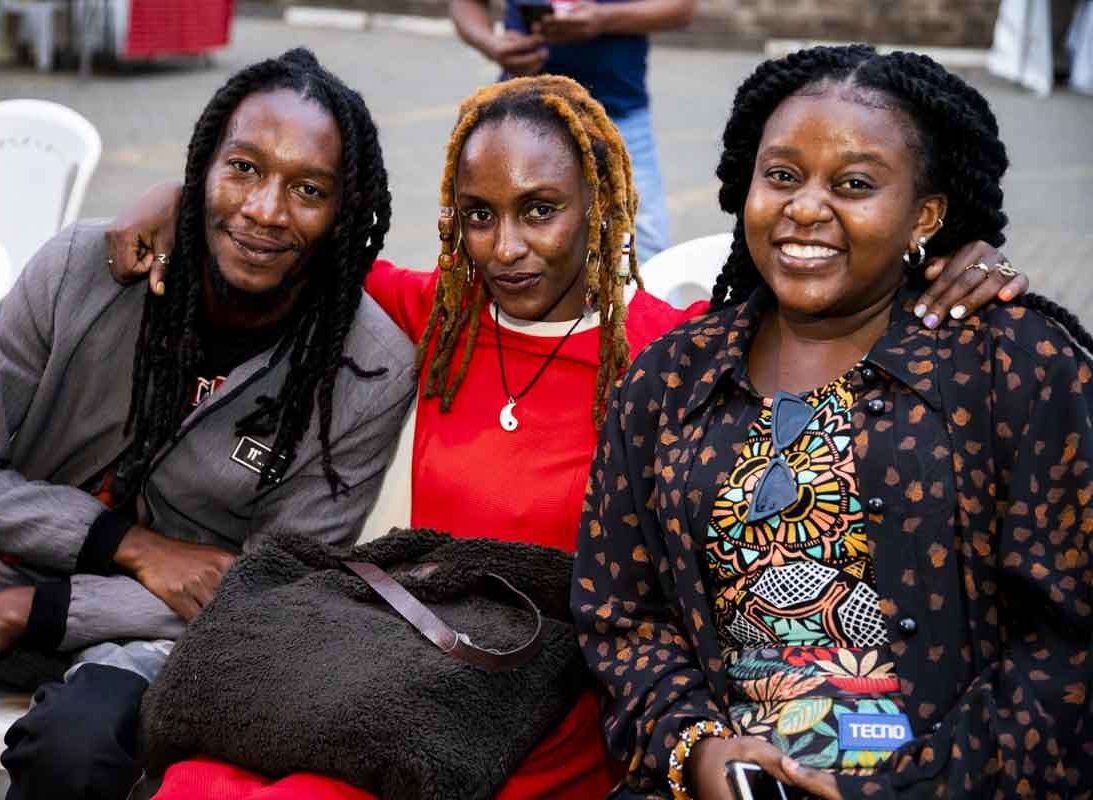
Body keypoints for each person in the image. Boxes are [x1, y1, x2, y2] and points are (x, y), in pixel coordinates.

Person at [108, 73, 1025, 799]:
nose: (505, 247)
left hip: (557, 698)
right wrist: (177, 199)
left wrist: (955, 262)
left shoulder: (672, 352)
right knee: (195, 777)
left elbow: (836, 315)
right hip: (417, 669)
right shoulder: (445, 315)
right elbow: (297, 238)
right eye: (479, 214)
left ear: (601, 205)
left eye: (539, 209)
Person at [573, 44, 1092, 800]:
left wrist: (912, 787)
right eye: (782, 176)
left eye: (854, 184)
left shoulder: (1012, 365)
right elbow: (620, 615)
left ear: (925, 215)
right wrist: (699, 752)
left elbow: (1067, 642)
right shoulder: (670, 380)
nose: (806, 208)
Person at [0, 48, 416, 800]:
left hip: (166, 630)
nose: (266, 210)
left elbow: (269, 589)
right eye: (243, 168)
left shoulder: (368, 373)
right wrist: (126, 545)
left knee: (75, 750)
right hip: (5, 559)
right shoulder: (82, 268)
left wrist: (29, 613)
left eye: (308, 189)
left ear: (343, 212)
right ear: (202, 170)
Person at [449, 0, 695, 261]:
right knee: (505, 246)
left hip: (618, 117)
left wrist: (604, 18)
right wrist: (492, 44)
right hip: (520, 118)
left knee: (642, 251)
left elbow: (681, 7)